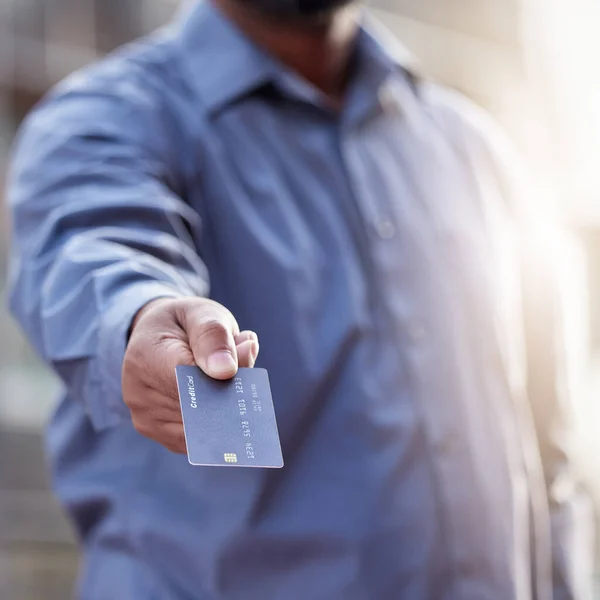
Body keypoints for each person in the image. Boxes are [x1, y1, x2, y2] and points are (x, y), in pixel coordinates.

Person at [6, 0, 595, 597]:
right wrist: (138, 315)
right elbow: (94, 242)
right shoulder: (106, 118)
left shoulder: (477, 153)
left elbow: (549, 450)